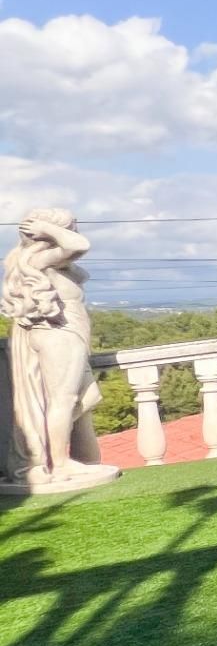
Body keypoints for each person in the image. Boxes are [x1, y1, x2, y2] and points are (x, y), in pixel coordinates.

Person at [2, 208, 115, 488]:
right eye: (71, 226)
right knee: (61, 400)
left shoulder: (44, 259)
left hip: (66, 332)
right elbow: (80, 245)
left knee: (86, 397)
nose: (74, 231)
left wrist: (49, 232)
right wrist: (47, 228)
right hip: (58, 332)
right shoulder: (41, 257)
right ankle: (60, 464)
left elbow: (78, 263)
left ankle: (54, 454)